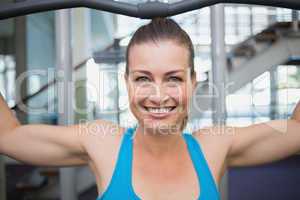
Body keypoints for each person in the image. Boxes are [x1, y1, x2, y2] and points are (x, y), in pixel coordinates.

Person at [0, 18, 300, 200]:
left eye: (173, 79)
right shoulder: (103, 142)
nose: (158, 96)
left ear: (193, 82)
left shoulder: (215, 144)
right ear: (127, 82)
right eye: (143, 78)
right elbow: (8, 135)